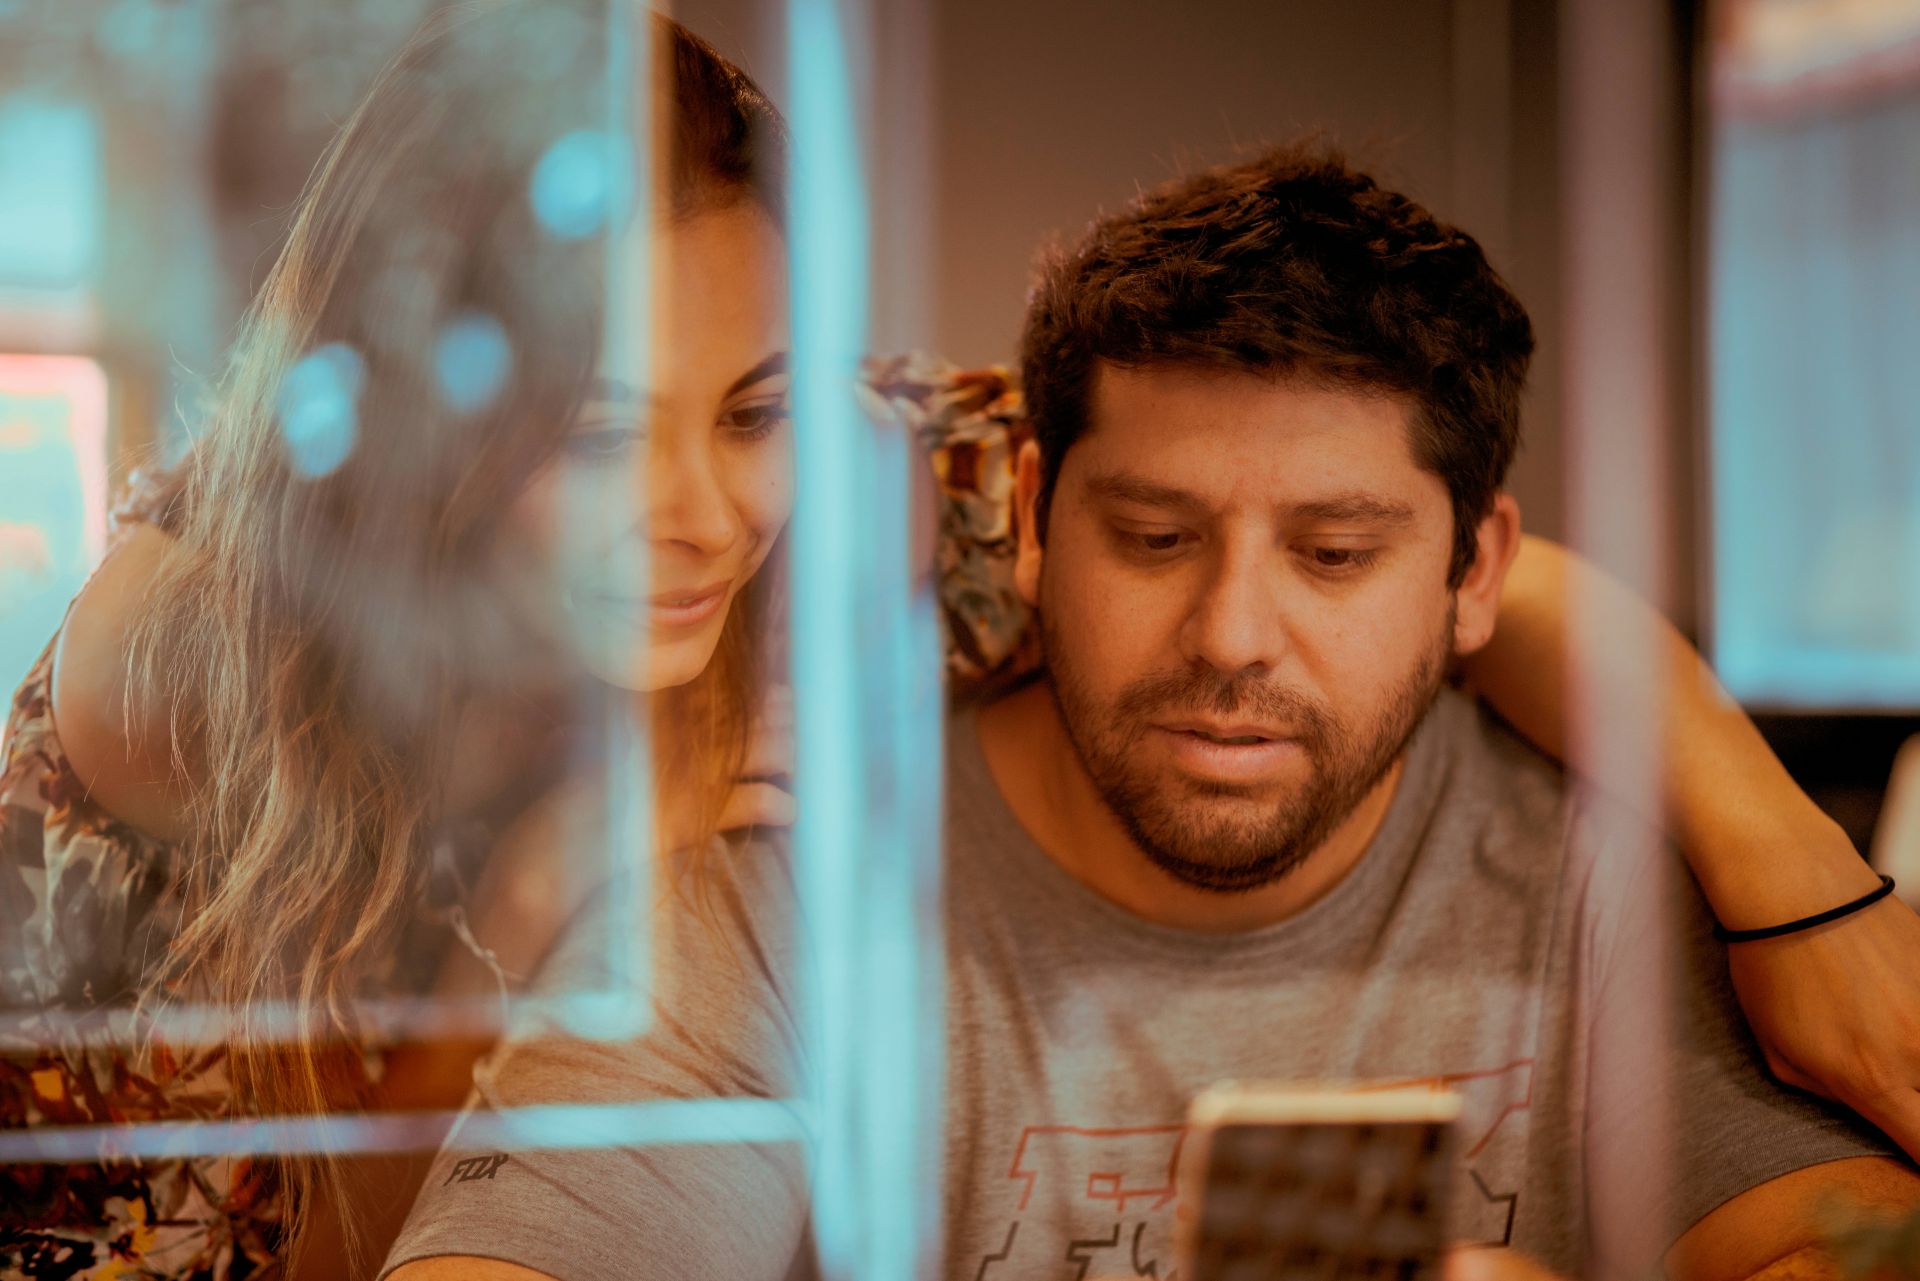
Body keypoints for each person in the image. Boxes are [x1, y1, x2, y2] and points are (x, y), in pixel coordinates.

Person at [384, 146, 1919, 1281]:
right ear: (1031, 516)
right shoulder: (777, 890)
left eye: (1335, 555)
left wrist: (1796, 874)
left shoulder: (1606, 863)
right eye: (1154, 538)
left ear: (1475, 569)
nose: (1232, 638)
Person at [2, 5, 794, 1276]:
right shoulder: (192, 667)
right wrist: (543, 891)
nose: (707, 518)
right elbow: (329, 1252)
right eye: (599, 438)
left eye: (754, 415)